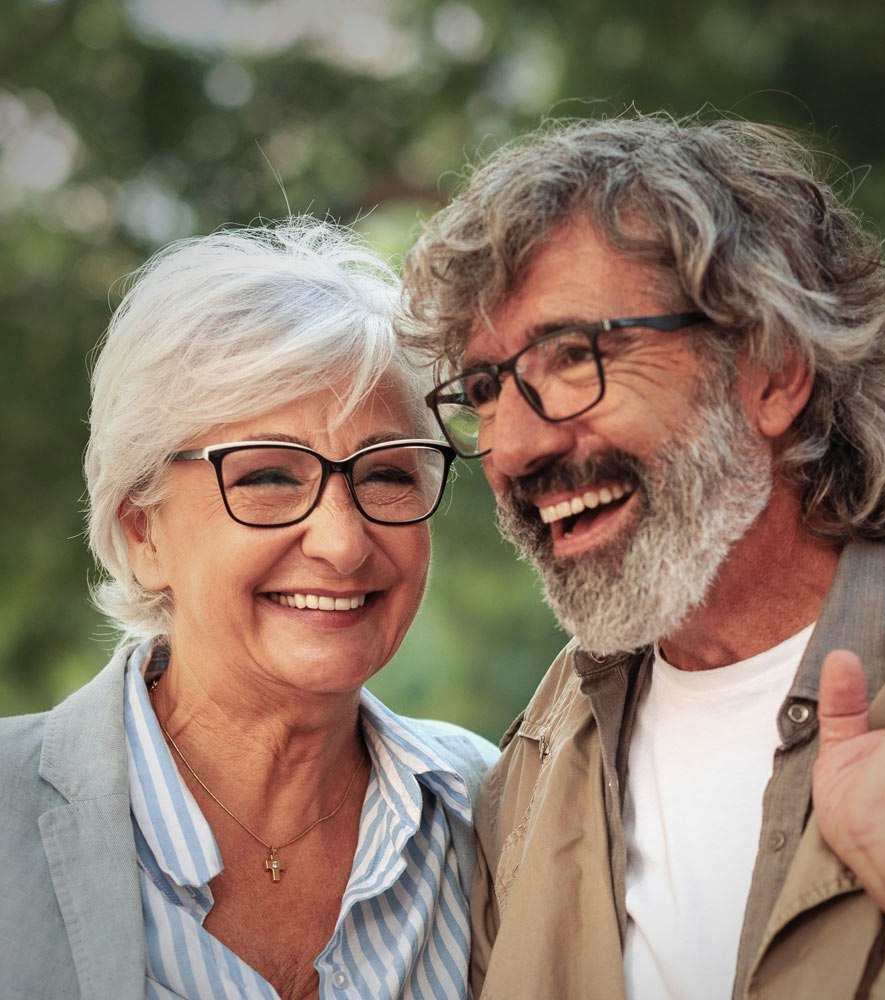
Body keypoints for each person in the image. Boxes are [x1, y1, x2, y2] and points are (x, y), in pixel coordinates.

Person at [397, 114, 885, 998]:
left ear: (773, 373)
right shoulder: (528, 766)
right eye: (484, 389)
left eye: (573, 356)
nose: (514, 447)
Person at [0, 218, 498, 1000]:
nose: (343, 543)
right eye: (269, 477)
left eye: (386, 475)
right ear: (143, 533)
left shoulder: (493, 808)